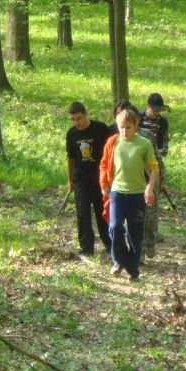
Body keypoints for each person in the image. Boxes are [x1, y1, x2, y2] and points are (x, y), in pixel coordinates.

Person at [99, 107, 158, 282]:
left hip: (137, 194)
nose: (124, 131)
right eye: (121, 127)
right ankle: (119, 261)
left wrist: (150, 188)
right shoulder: (112, 142)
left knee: (135, 233)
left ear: (136, 125)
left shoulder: (144, 144)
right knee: (115, 226)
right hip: (117, 192)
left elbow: (154, 169)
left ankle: (133, 270)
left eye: (128, 127)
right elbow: (104, 163)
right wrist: (104, 184)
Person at [65, 101, 112, 257]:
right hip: (81, 179)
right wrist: (70, 180)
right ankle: (86, 249)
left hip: (100, 178)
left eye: (79, 118)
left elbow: (111, 151)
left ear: (86, 114)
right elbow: (71, 158)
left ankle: (110, 244)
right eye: (73, 119)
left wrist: (110, 176)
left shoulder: (100, 128)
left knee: (102, 212)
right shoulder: (71, 134)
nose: (76, 122)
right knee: (83, 212)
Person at [138, 93, 169, 258]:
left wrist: (162, 178)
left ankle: (151, 242)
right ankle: (140, 249)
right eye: (154, 109)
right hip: (136, 172)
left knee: (151, 213)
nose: (157, 112)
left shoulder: (162, 123)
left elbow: (163, 144)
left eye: (159, 110)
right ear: (147, 106)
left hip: (153, 168)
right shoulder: (138, 119)